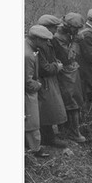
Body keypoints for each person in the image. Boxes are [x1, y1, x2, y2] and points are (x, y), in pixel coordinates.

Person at [52, 12, 87, 143]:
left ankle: (71, 130)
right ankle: (73, 132)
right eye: (75, 29)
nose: (77, 31)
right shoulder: (58, 36)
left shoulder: (67, 33)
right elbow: (68, 57)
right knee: (71, 101)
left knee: (75, 100)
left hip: (71, 72)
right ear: (68, 25)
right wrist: (75, 42)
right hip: (66, 73)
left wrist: (74, 38)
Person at [36, 14, 68, 148]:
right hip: (44, 81)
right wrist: (57, 66)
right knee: (47, 110)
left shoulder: (47, 41)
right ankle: (48, 138)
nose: (56, 31)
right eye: (54, 28)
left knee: (50, 109)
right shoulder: (40, 44)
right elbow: (44, 68)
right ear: (47, 28)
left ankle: (49, 137)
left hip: (50, 79)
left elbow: (61, 57)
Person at [25, 25, 53, 157]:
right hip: (27, 94)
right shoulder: (28, 55)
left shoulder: (30, 48)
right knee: (32, 122)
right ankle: (35, 149)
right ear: (35, 39)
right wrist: (39, 85)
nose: (46, 43)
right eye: (44, 40)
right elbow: (27, 82)